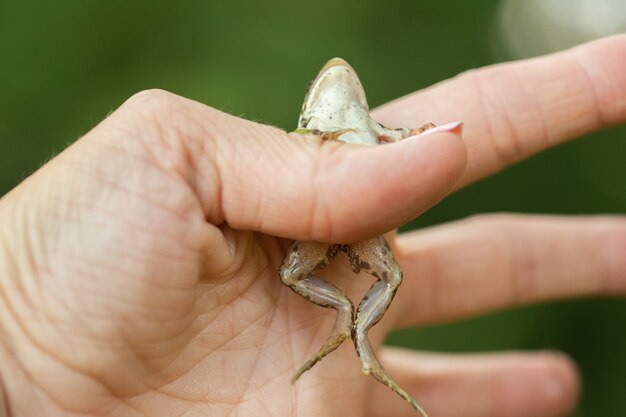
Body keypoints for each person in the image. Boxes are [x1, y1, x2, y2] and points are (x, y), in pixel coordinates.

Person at [0, 34, 624, 417]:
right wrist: (18, 351)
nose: (337, 72)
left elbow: (406, 135)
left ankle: (353, 337)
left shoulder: (366, 126)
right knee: (320, 270)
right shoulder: (309, 130)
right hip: (317, 232)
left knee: (393, 271)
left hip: (358, 221)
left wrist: (20, 373)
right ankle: (348, 330)